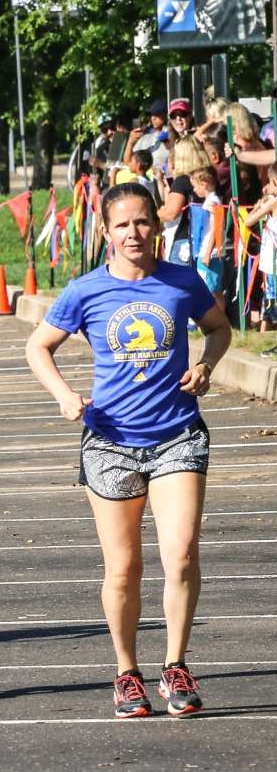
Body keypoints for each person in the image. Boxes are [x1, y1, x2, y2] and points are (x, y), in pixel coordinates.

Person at [25, 182, 232, 719]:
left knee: (181, 554)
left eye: (142, 222)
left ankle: (176, 665)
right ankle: (126, 671)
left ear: (155, 225)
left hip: (177, 436)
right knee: (124, 568)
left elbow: (218, 329)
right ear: (106, 230)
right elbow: (38, 346)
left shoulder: (181, 281)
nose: (134, 233)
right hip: (110, 443)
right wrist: (64, 395)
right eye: (122, 224)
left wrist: (206, 365)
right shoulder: (86, 289)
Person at [156, 136, 210, 266]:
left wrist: (149, 214)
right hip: (206, 240)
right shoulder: (208, 178)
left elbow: (171, 213)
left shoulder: (182, 181)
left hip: (184, 242)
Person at [243, 164, 277, 337]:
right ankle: (265, 335)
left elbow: (248, 221)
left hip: (273, 265)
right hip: (272, 264)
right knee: (269, 302)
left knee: (272, 301)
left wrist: (258, 206)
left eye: (269, 183)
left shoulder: (273, 202)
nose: (266, 187)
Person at [190, 166, 226, 316]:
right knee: (214, 289)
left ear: (203, 184)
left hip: (210, 253)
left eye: (194, 185)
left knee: (211, 289)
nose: (193, 190)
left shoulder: (212, 202)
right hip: (208, 251)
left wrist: (207, 252)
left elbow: (215, 229)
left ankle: (217, 319)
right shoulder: (210, 201)